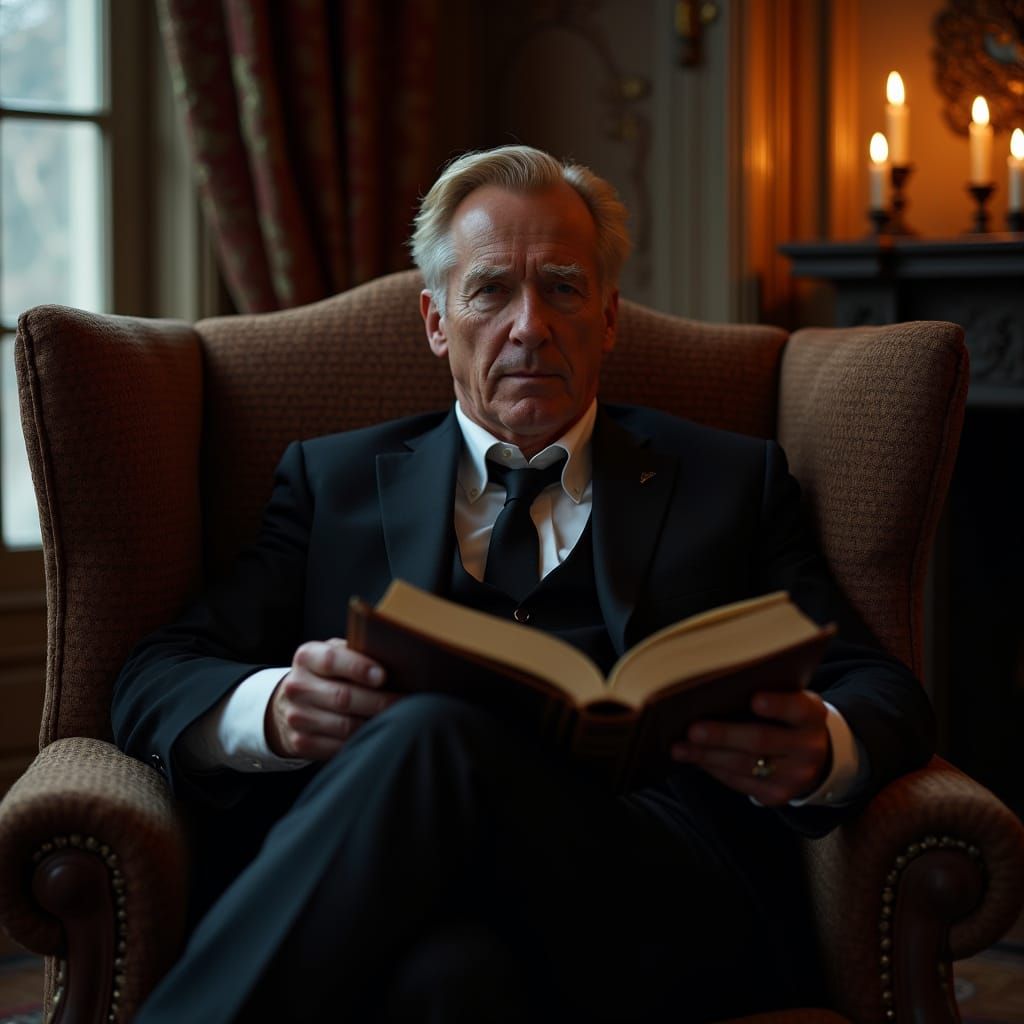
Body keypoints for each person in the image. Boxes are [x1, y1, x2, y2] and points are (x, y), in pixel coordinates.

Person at [112, 145, 934, 1023]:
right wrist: (273, 710)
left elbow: (886, 689)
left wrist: (825, 749)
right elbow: (156, 673)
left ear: (610, 317)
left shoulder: (730, 480)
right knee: (452, 984)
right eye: (492, 289)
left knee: (432, 737)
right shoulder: (332, 483)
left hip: (656, 899)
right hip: (419, 898)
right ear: (436, 320)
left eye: (565, 289)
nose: (530, 325)